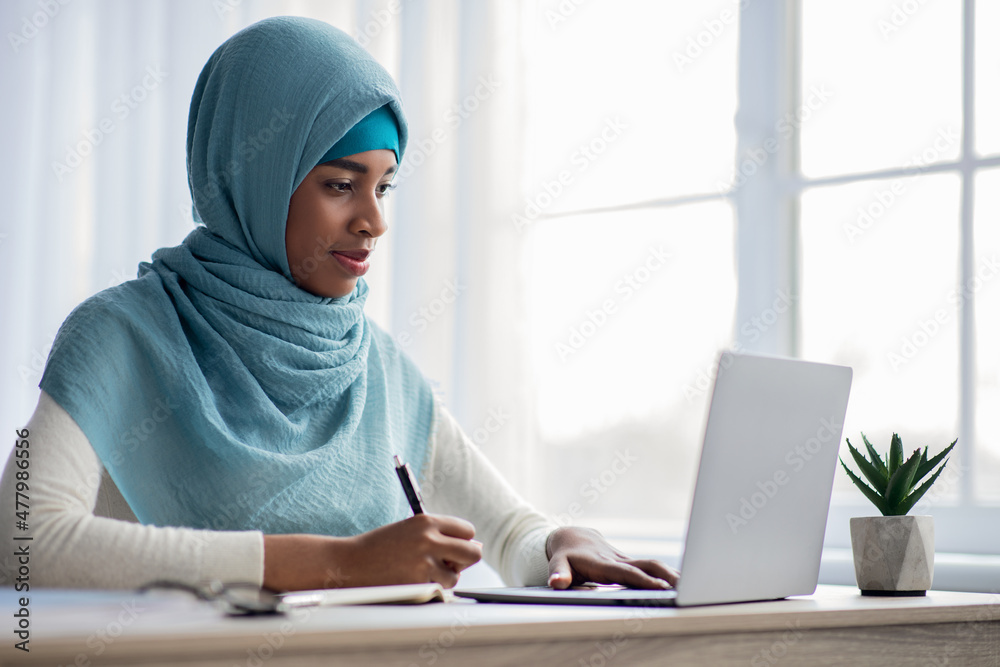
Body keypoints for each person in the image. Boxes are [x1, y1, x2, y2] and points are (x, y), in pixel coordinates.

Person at [0, 16, 678, 593]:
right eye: (338, 184)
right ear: (254, 178)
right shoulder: (119, 334)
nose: (372, 222)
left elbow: (504, 531)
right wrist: (336, 562)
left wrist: (561, 540)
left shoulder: (374, 364)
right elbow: (21, 541)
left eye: (383, 187)